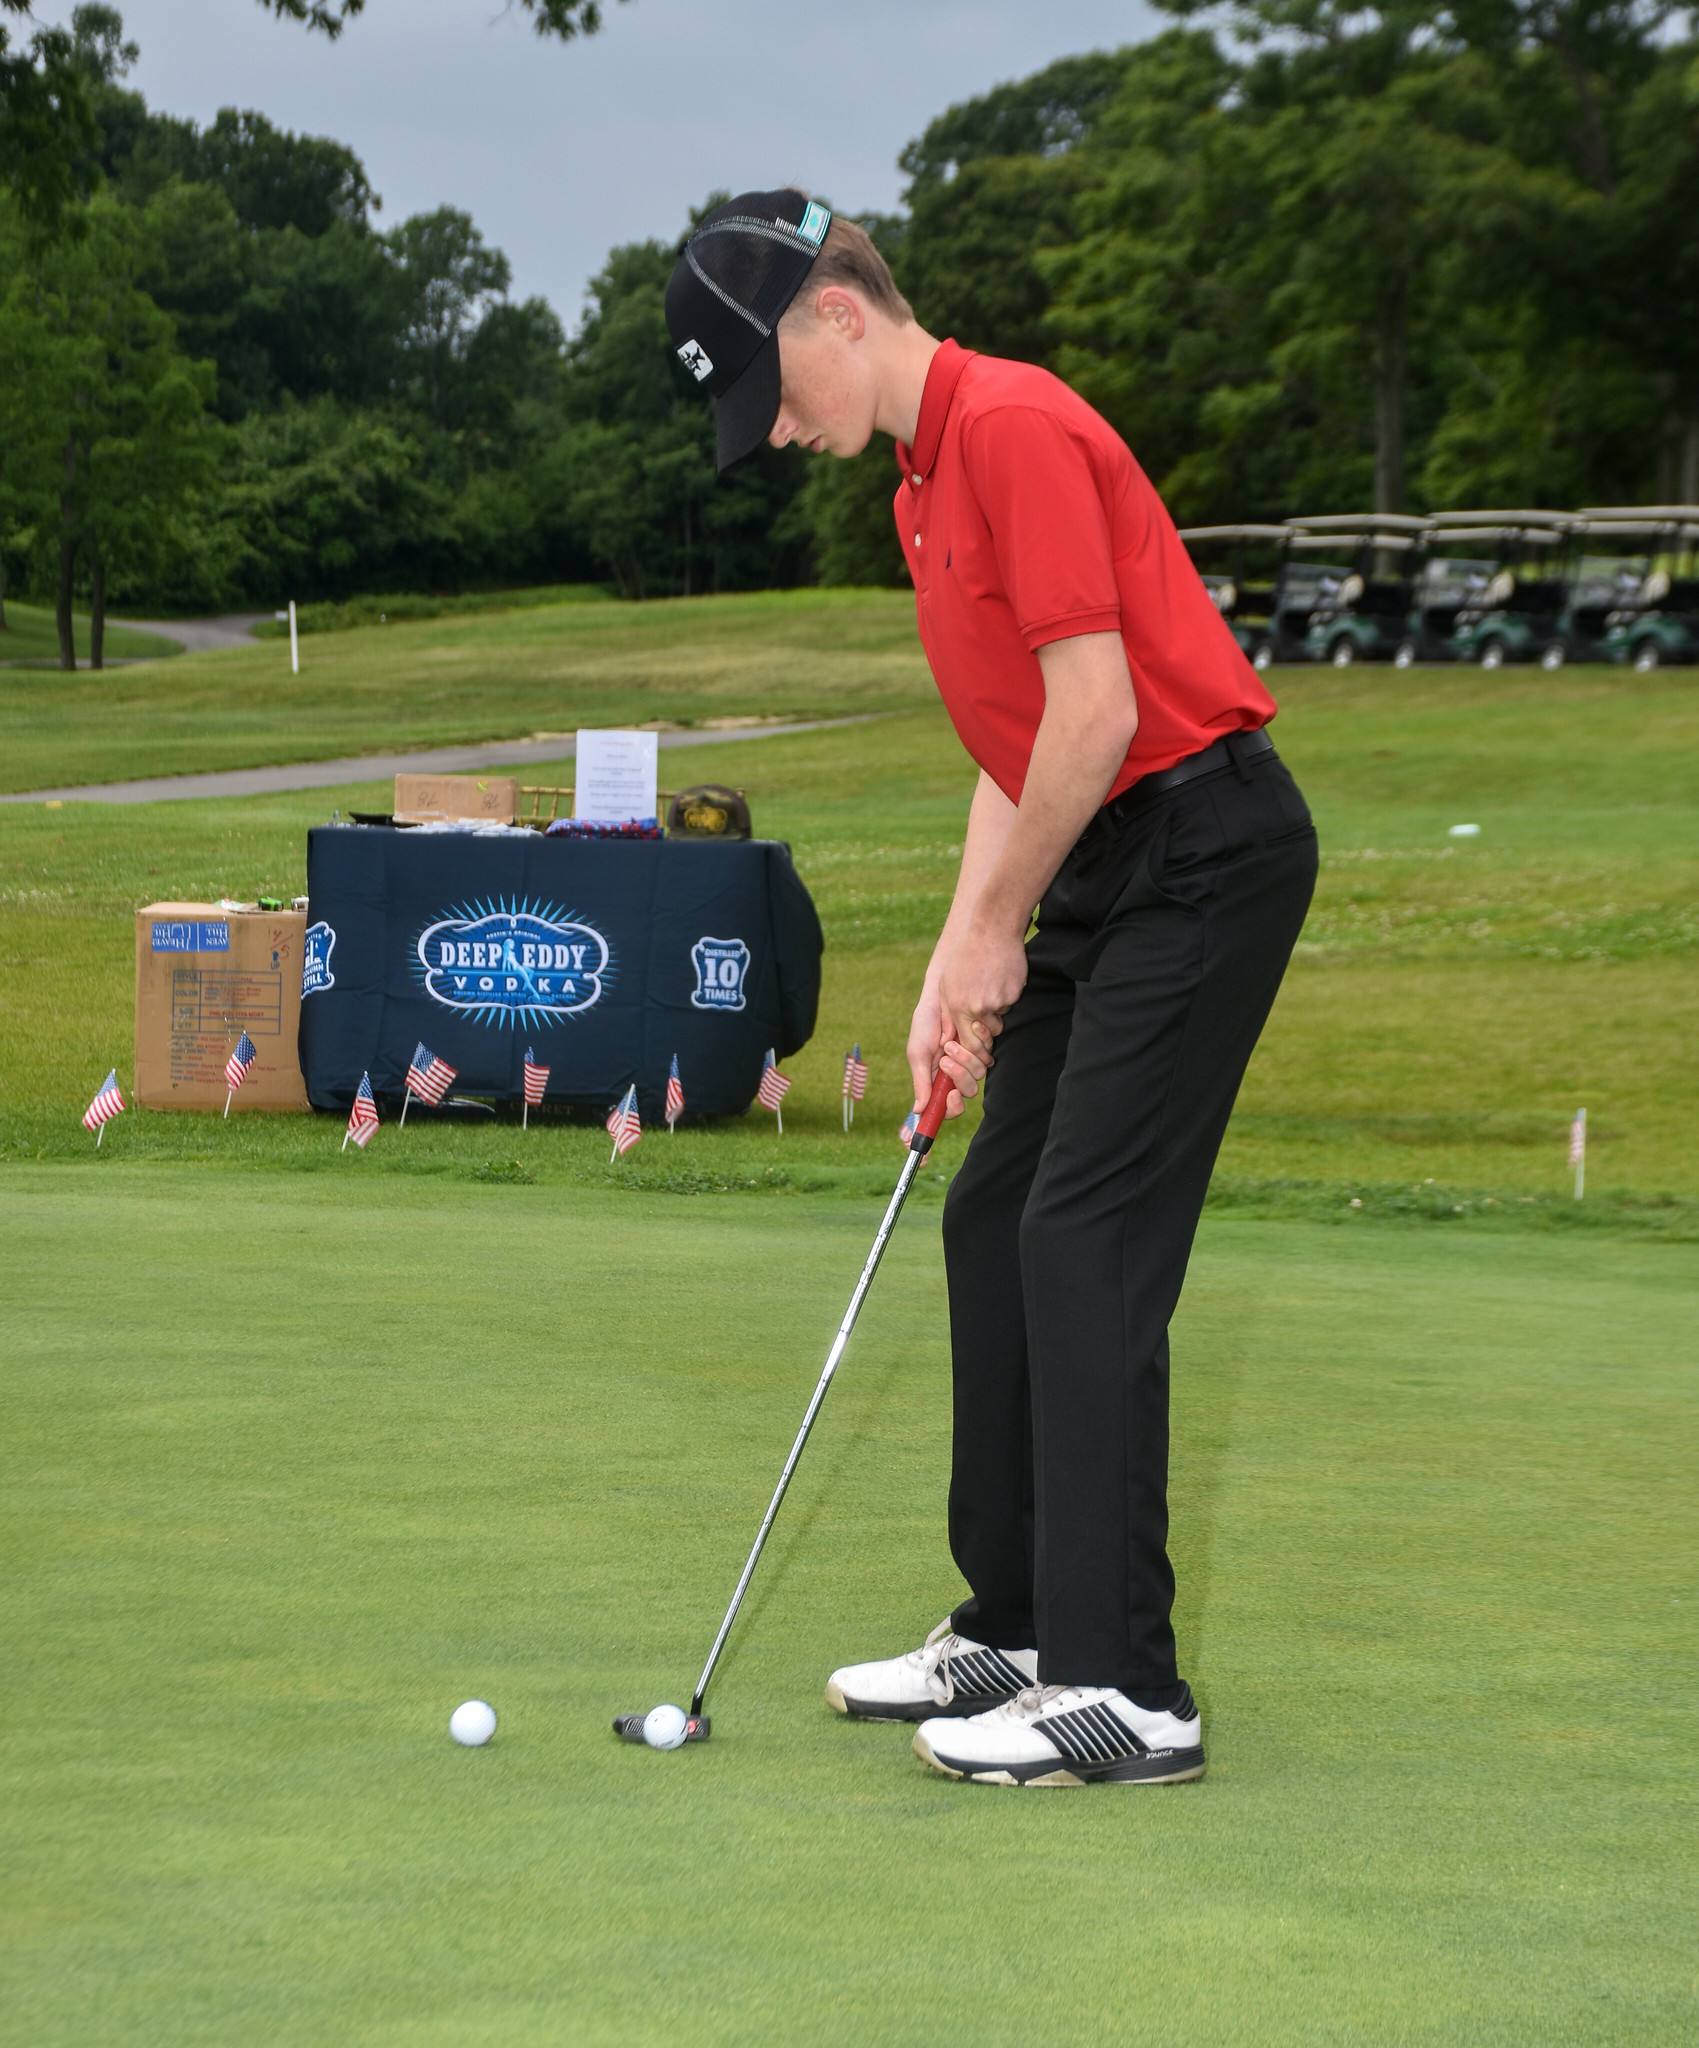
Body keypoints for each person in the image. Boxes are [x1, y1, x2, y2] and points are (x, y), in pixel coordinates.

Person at [666, 192, 1318, 1788]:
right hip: (1095, 855)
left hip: (1198, 852)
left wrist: (1000, 924)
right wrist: (960, 957)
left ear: (836, 313)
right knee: (993, 1213)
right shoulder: (922, 479)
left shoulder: (1012, 427)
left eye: (773, 396)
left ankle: (1128, 1690)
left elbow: (1098, 719)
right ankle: (1021, 1625)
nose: (779, 435)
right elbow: (1017, 746)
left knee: (1083, 1236)